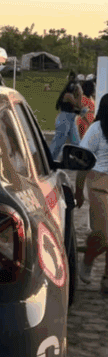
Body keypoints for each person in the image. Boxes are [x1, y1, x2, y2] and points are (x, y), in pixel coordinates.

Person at [77, 94, 108, 292]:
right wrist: (78, 190)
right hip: (99, 182)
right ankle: (88, 258)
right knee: (103, 235)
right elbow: (83, 159)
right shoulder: (96, 130)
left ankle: (106, 278)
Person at [49, 76, 83, 160]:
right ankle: (49, 160)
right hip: (64, 120)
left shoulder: (70, 96)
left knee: (76, 142)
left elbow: (78, 109)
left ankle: (77, 160)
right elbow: (79, 106)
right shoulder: (68, 95)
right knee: (58, 142)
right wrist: (80, 93)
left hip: (70, 120)